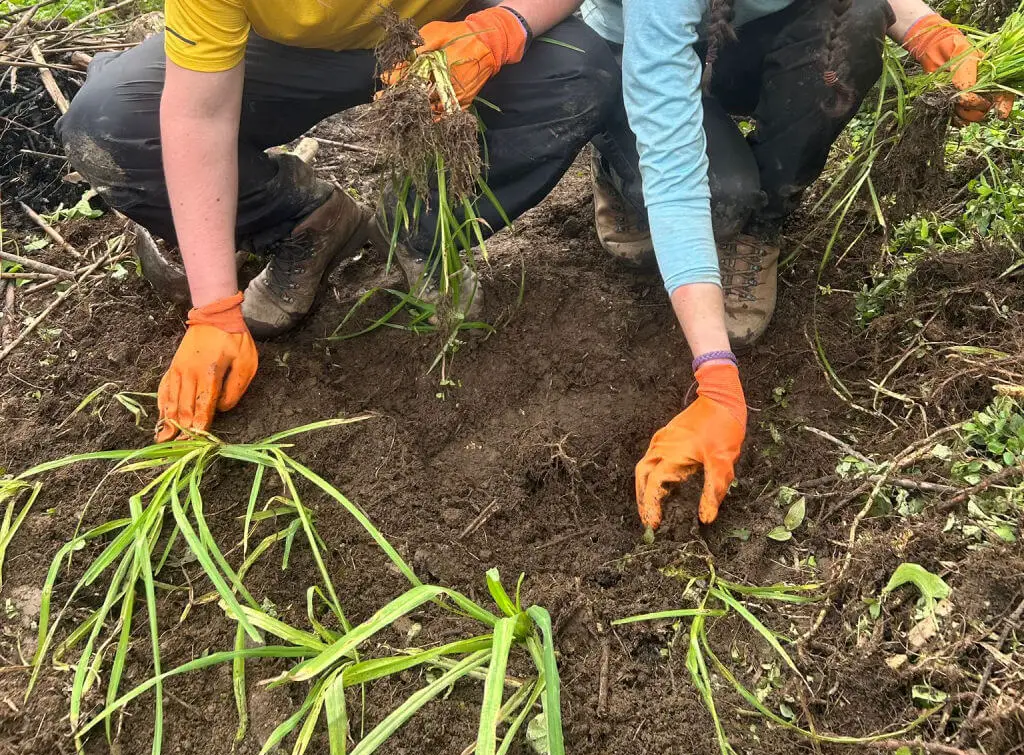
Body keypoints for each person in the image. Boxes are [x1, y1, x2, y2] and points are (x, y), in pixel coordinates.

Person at [57, 0, 617, 442]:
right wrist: (214, 312)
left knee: (587, 60)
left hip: (454, 22)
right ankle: (302, 221)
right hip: (286, 52)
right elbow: (196, 115)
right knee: (115, 123)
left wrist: (504, 27)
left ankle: (418, 227)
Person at [579, 0, 1015, 530]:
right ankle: (616, 163)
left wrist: (923, 26)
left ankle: (762, 221)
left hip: (744, 40)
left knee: (854, 21)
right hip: (637, 51)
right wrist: (716, 376)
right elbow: (675, 176)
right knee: (717, 198)